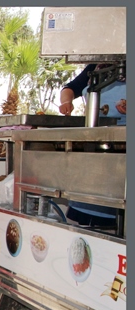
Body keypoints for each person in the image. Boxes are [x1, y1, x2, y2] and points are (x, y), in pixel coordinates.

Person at [59, 64, 123, 226]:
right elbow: (70, 88)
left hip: (123, 149)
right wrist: (67, 102)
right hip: (94, 145)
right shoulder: (97, 66)